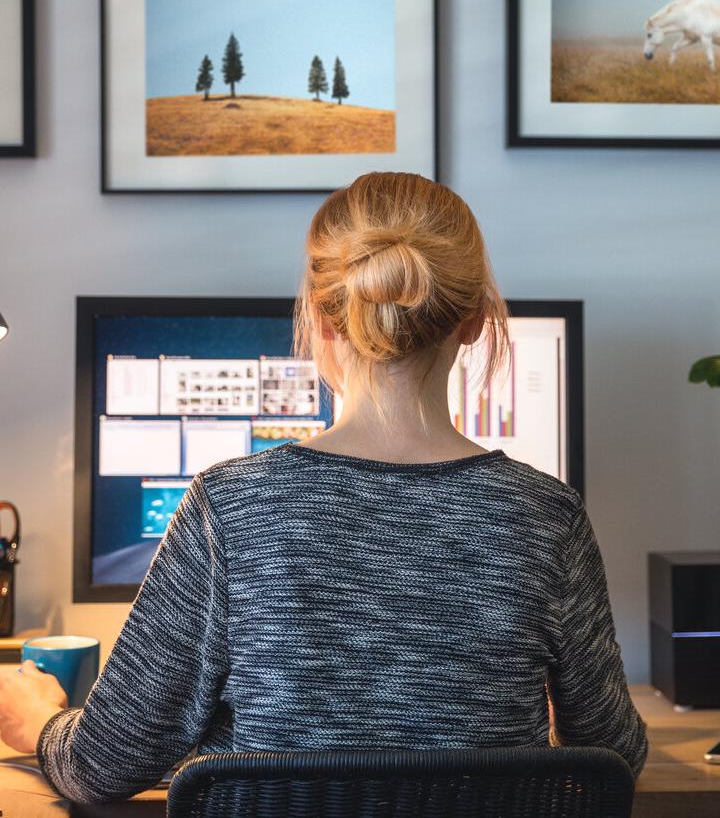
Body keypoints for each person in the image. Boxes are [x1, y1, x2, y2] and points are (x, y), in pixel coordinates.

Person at [0, 171, 648, 802]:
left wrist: (38, 722)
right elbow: (613, 751)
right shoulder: (547, 516)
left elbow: (105, 766)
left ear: (323, 318)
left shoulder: (227, 508)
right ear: (476, 320)